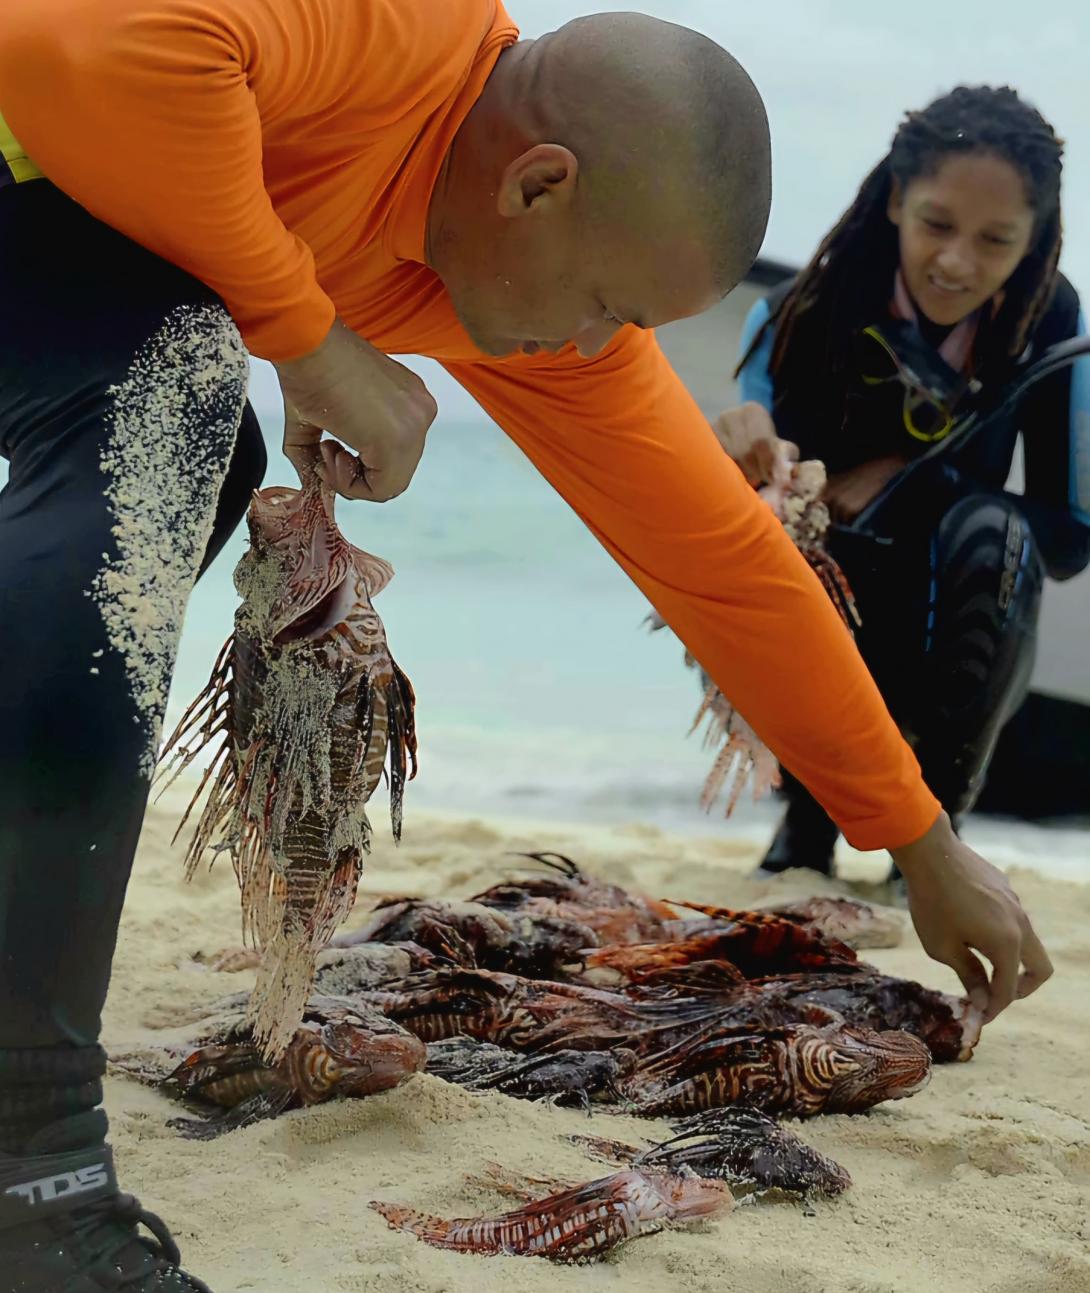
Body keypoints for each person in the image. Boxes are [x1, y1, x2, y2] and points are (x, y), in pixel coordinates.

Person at [0, 4, 1051, 1286]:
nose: (595, 345)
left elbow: (724, 563)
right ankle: (29, 1171)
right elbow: (79, 56)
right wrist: (307, 335)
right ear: (537, 183)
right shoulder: (399, 31)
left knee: (181, 434)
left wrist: (918, 837)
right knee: (180, 415)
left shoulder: (544, 322)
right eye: (608, 301)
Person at [715, 85, 1090, 883]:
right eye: (937, 224)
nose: (957, 263)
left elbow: (1065, 541)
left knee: (999, 533)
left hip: (954, 619)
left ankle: (934, 839)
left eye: (997, 240)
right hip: (824, 612)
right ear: (895, 201)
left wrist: (911, 476)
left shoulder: (1049, 322)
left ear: (1035, 240)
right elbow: (740, 455)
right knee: (766, 536)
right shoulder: (802, 308)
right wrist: (740, 447)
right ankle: (803, 825)